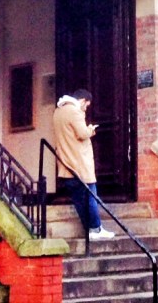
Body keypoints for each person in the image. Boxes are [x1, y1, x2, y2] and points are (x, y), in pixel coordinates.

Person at [53, 88, 115, 240]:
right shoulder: (75, 111)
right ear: (82, 100)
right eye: (86, 105)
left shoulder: (58, 111)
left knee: (79, 200)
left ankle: (90, 229)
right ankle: (96, 229)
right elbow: (82, 134)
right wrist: (91, 129)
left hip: (67, 165)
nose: (86, 108)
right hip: (80, 164)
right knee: (91, 196)